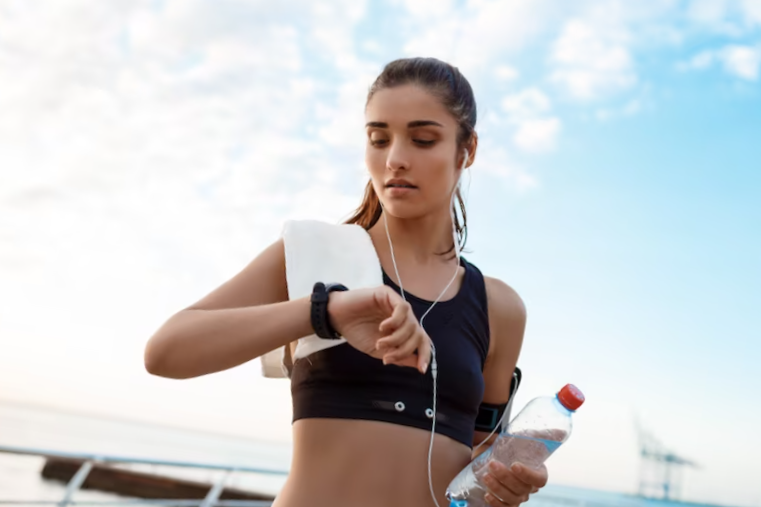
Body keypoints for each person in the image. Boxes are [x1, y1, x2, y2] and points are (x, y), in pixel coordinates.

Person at [144, 57, 548, 507]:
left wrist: (505, 485)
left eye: (423, 139)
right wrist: (325, 311)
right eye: (379, 139)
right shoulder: (313, 252)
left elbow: (480, 465)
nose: (395, 159)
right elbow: (165, 352)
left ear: (466, 150)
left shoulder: (500, 308)